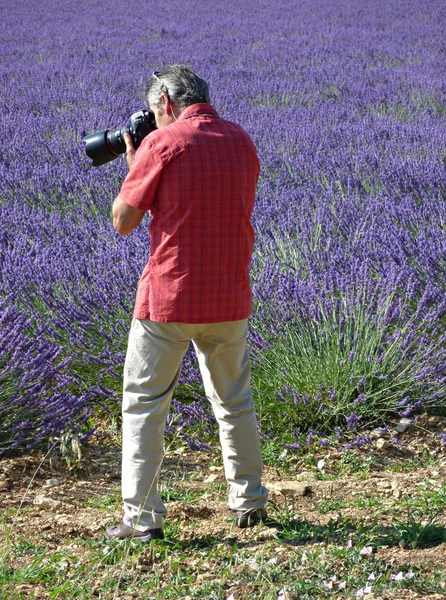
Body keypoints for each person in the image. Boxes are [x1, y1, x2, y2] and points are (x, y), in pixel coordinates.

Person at [105, 65, 268, 541]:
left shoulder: (163, 143)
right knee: (235, 402)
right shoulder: (242, 140)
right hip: (229, 296)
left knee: (144, 405)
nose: (155, 121)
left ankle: (141, 519)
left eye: (156, 112)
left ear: (167, 104)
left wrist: (137, 164)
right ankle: (250, 502)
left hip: (170, 299)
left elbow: (122, 220)